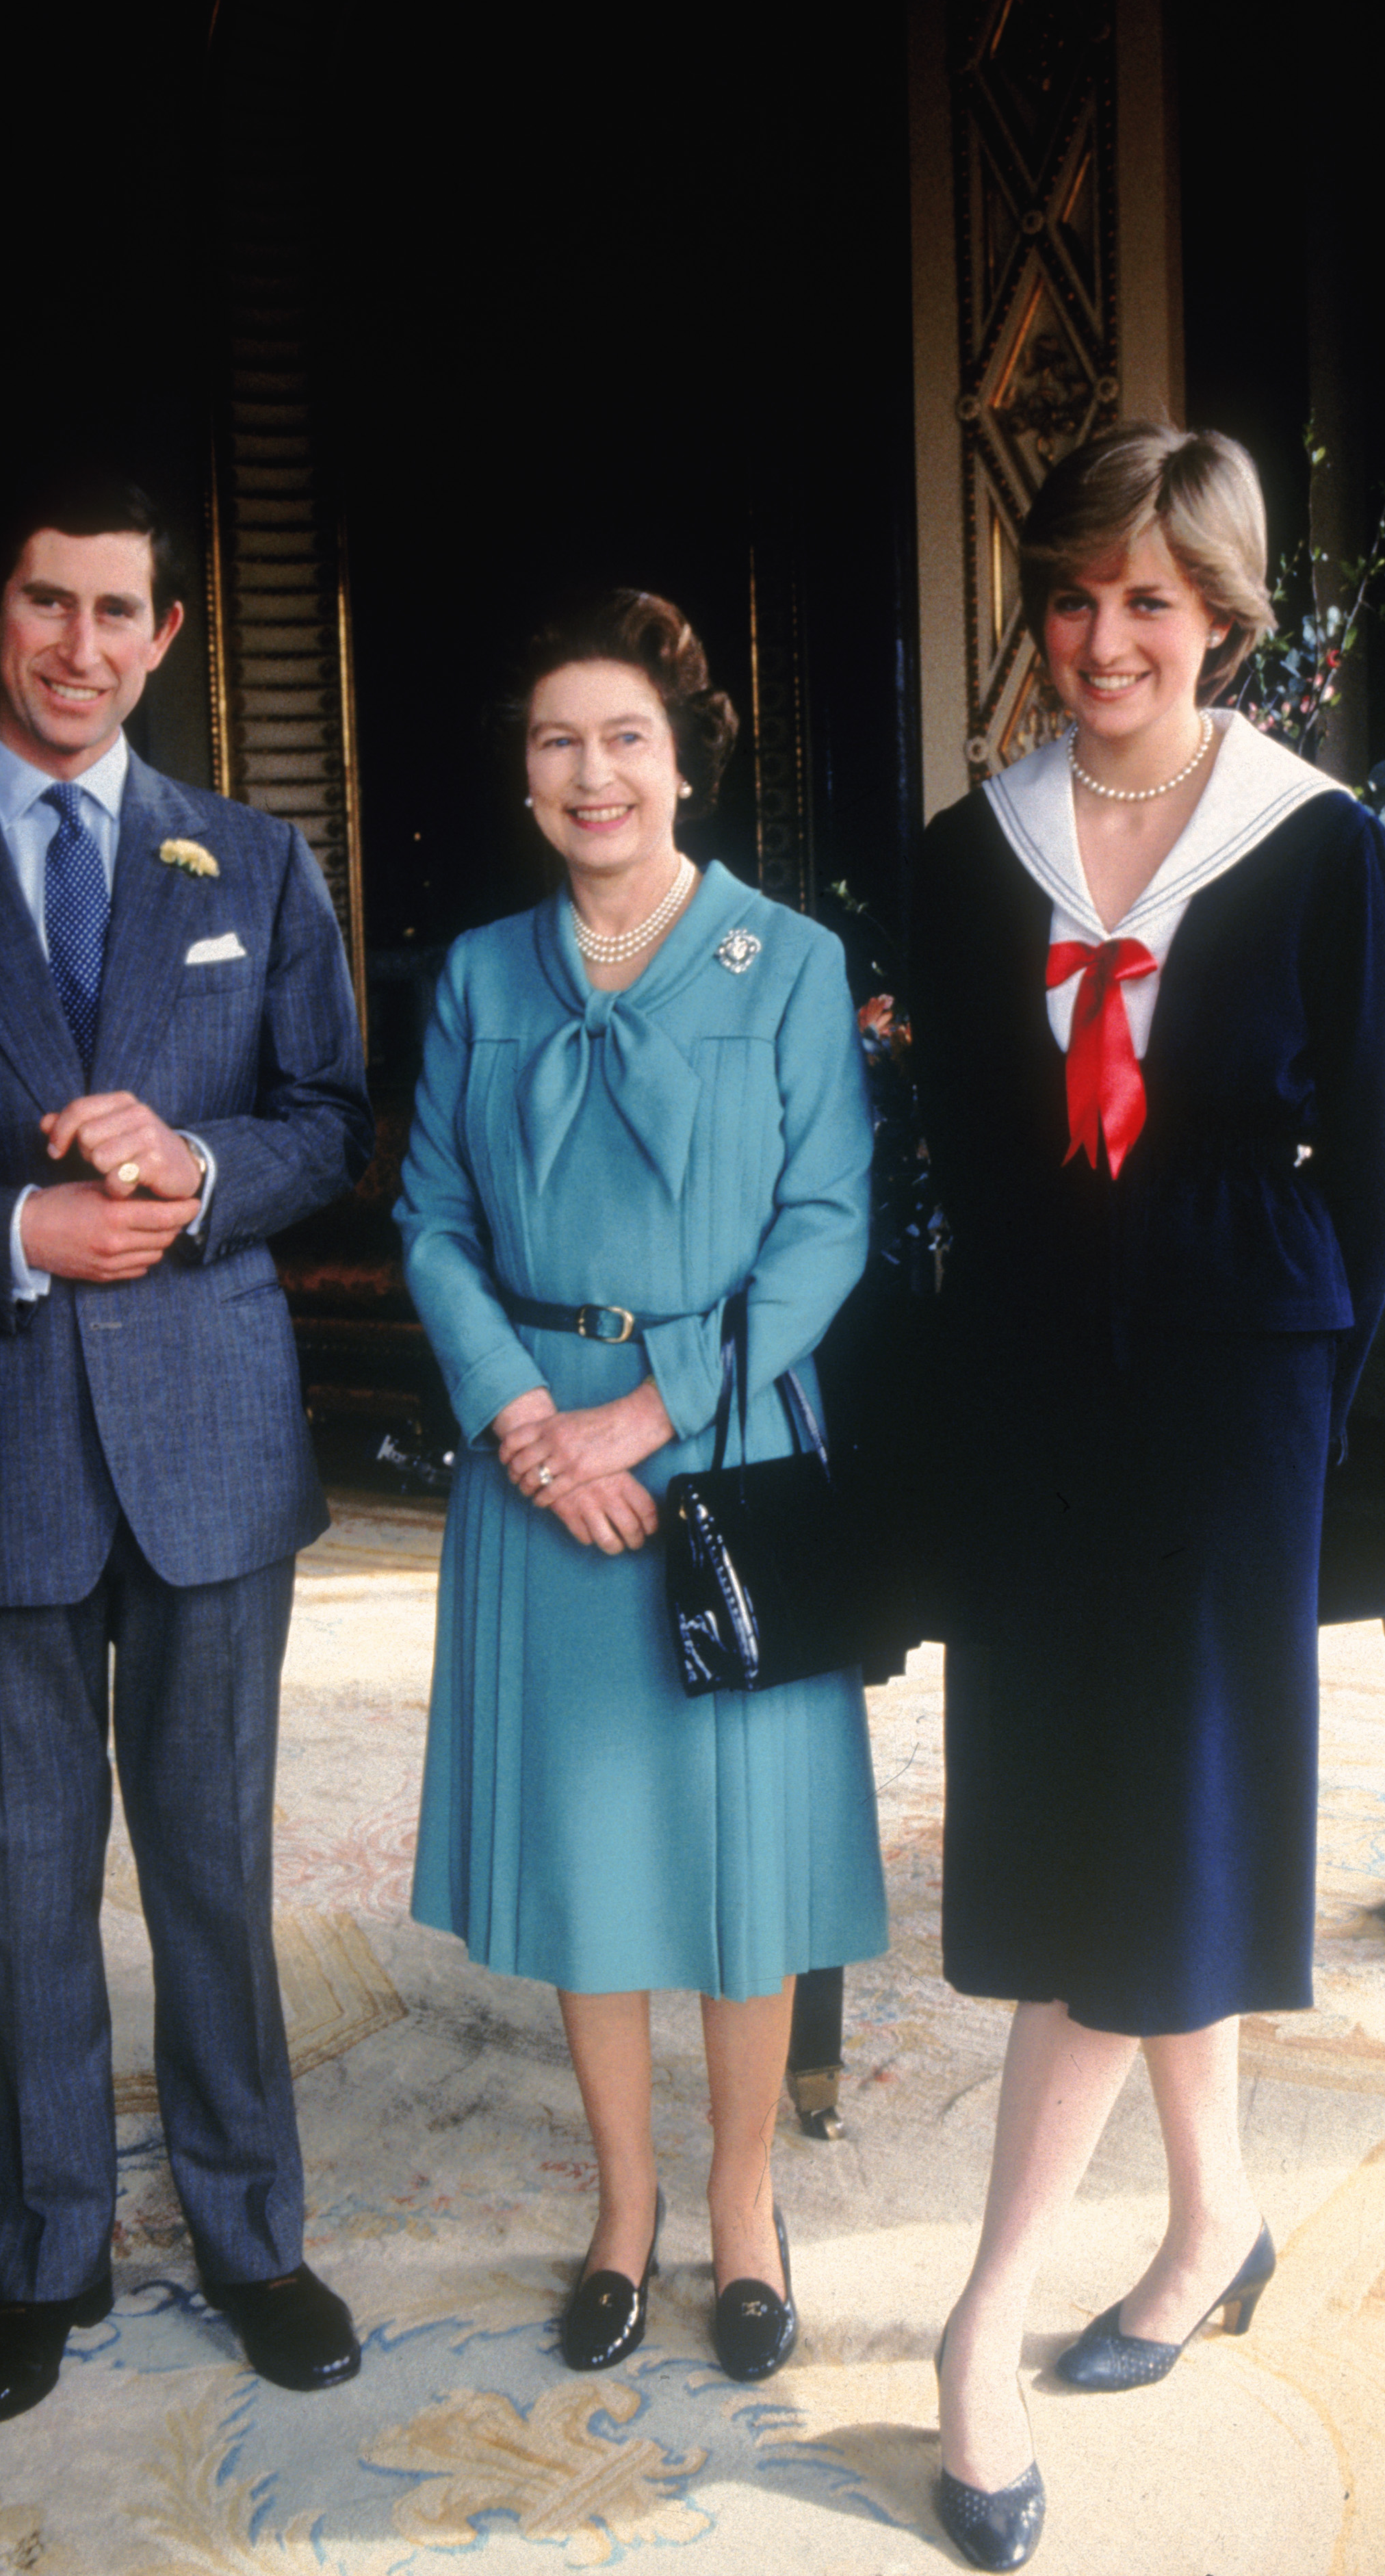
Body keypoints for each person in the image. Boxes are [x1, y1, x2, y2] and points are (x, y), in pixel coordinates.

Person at [0, 467, 374, 2429]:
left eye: (122, 615)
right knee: (32, 1885)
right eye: (47, 606)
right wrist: (17, 1233)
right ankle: (42, 2266)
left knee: (213, 1866)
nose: (81, 651)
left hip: (211, 1448)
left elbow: (329, 1125)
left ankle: (253, 2235)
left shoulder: (257, 870)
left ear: (169, 637)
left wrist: (196, 1171)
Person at [911, 423, 1385, 2568]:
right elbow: (958, 1159)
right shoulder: (969, 854)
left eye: (1151, 599)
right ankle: (1213, 2216)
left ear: (1221, 613)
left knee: (1155, 1829)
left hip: (1229, 1400)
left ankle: (980, 2320)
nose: (1105, 638)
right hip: (1038, 1397)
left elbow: (1375, 1180)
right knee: (1095, 1824)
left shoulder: (1325, 852)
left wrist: (1285, 1401)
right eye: (1075, 596)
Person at [396, 589, 888, 2385]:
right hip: (533, 1454)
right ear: (525, 780)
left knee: (739, 1866)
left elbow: (830, 1225)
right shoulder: (474, 977)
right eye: (555, 741)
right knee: (597, 1859)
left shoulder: (794, 964)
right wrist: (533, 1422)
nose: (591, 772)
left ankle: (746, 2207)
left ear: (685, 764)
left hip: (726, 1447)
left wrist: (652, 1410)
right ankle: (625, 2209)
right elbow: (431, 1222)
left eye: (623, 738)